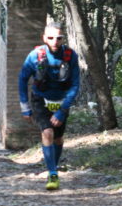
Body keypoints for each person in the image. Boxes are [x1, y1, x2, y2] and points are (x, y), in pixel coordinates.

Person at [18, 22, 80, 190]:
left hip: (61, 101)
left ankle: (54, 165)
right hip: (40, 99)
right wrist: (25, 107)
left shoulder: (70, 56)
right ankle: (52, 174)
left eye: (58, 38)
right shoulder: (34, 56)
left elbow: (75, 85)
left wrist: (62, 110)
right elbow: (22, 80)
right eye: (51, 38)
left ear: (63, 38)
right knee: (47, 132)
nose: (55, 41)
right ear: (44, 38)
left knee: (58, 138)